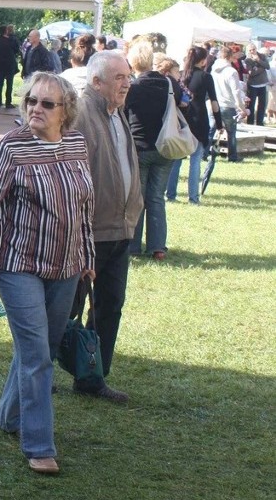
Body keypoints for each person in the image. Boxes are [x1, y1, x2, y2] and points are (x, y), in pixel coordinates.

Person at [0, 72, 95, 475]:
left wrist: (88, 255)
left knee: (39, 346)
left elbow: (85, 208)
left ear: (66, 111)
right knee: (38, 354)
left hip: (67, 266)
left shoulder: (77, 143)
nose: (36, 110)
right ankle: (39, 445)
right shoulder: (11, 147)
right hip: (18, 264)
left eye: (47, 104)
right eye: (31, 103)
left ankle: (9, 415)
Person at [72, 52, 143, 405]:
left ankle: (94, 376)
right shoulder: (81, 113)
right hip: (89, 232)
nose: (126, 83)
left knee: (110, 305)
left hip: (121, 229)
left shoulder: (118, 115)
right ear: (96, 82)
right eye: (118, 77)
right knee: (66, 308)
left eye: (127, 76)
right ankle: (37, 369)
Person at [124, 39, 180, 260]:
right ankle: (157, 246)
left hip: (139, 147)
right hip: (165, 146)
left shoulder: (133, 87)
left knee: (137, 197)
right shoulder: (167, 83)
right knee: (156, 197)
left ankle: (134, 245)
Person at [166, 46, 222, 204]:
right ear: (204, 60)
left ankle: (170, 194)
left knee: (176, 159)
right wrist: (219, 123)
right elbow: (214, 102)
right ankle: (193, 197)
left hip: (182, 120)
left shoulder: (181, 75)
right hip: (199, 119)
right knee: (195, 160)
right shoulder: (205, 77)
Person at [210, 44, 248, 161]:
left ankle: (205, 153)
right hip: (228, 105)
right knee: (231, 133)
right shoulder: (231, 71)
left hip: (215, 103)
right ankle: (232, 156)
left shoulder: (213, 70)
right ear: (230, 56)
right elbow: (236, 91)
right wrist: (242, 108)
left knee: (211, 131)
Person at [0, 24, 19, 108]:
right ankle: (8, 102)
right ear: (6, 31)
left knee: (0, 83)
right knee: (9, 83)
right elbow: (16, 50)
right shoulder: (11, 40)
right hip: (10, 64)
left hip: (0, 64)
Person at [243, 44, 270, 126]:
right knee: (251, 105)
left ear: (256, 48)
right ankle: (250, 122)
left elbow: (268, 66)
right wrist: (262, 68)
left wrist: (258, 60)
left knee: (262, 105)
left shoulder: (262, 56)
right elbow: (251, 73)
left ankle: (260, 122)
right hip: (253, 85)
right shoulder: (247, 59)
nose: (252, 51)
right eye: (250, 50)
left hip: (262, 84)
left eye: (253, 49)